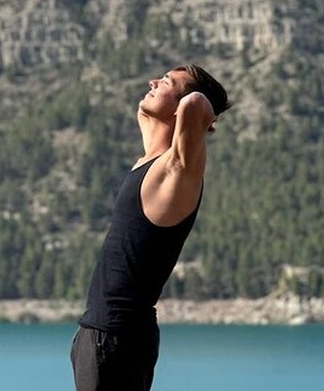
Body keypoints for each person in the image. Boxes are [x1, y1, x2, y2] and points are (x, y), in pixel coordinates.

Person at [70, 63, 232, 391]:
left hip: (116, 338)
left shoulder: (178, 172)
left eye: (167, 82)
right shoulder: (150, 159)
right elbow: (146, 114)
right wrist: (166, 97)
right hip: (105, 335)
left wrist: (202, 109)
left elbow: (196, 105)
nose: (153, 81)